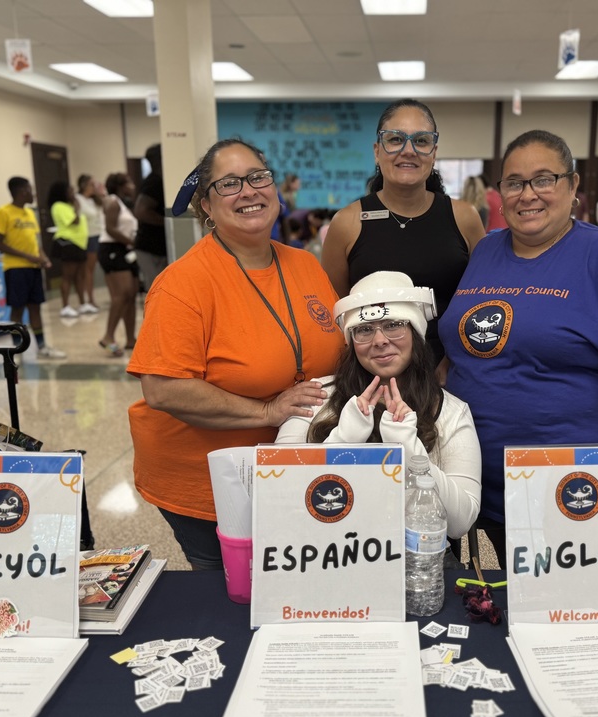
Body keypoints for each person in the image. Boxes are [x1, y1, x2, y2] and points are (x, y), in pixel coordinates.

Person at [440, 130, 598, 565]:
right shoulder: (487, 250)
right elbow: (457, 348)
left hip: (569, 485)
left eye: (543, 179)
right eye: (514, 182)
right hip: (473, 480)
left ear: (573, 186)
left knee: (561, 613)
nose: (528, 195)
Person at [127, 138, 344, 570]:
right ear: (205, 205)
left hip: (292, 465)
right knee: (235, 594)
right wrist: (267, 411)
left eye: (258, 177)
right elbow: (164, 390)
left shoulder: (304, 264)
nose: (248, 191)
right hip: (208, 483)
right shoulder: (183, 283)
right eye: (228, 184)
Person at [276, 271, 480, 541]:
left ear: (415, 334)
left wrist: (410, 451)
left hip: (415, 560)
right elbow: (279, 500)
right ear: (352, 343)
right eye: (364, 329)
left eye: (394, 324)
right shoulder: (315, 397)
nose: (380, 340)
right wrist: (341, 444)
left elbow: (460, 523)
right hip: (322, 552)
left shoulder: (450, 411)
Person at [321, 98, 486, 362]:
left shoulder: (464, 217)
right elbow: (337, 314)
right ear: (377, 151)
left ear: (433, 152)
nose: (408, 150)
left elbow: (482, 302)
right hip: (373, 375)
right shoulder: (346, 223)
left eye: (421, 141)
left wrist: (451, 362)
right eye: (395, 139)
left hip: (453, 370)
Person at [0, 176, 65, 358]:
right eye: (30, 189)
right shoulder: (3, 212)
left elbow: (35, 242)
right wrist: (28, 257)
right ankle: (17, 348)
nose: (33, 193)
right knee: (18, 309)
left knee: (35, 307)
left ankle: (42, 346)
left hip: (33, 268)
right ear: (22, 191)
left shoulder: (30, 214)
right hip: (15, 268)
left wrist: (43, 257)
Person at [98, 172, 140, 355]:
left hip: (125, 250)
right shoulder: (112, 201)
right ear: (120, 186)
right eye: (129, 182)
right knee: (121, 295)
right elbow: (110, 228)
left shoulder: (123, 203)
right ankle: (108, 336)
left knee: (131, 294)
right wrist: (131, 242)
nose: (132, 185)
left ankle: (131, 339)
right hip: (112, 249)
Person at [48, 180, 89, 318]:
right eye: (70, 190)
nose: (73, 193)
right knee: (68, 276)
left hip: (79, 243)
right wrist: (76, 207)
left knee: (80, 276)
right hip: (68, 243)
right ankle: (65, 306)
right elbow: (74, 221)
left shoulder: (69, 205)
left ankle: (83, 304)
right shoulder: (58, 206)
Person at [133, 143, 168, 290]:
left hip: (157, 248)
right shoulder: (154, 181)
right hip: (150, 249)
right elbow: (141, 211)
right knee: (157, 291)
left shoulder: (159, 180)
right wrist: (166, 222)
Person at [76, 174, 104, 313]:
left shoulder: (94, 200)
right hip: (88, 237)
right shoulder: (78, 200)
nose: (94, 187)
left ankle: (91, 299)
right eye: (92, 184)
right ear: (84, 185)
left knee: (92, 269)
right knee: (88, 270)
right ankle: (89, 299)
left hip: (99, 235)